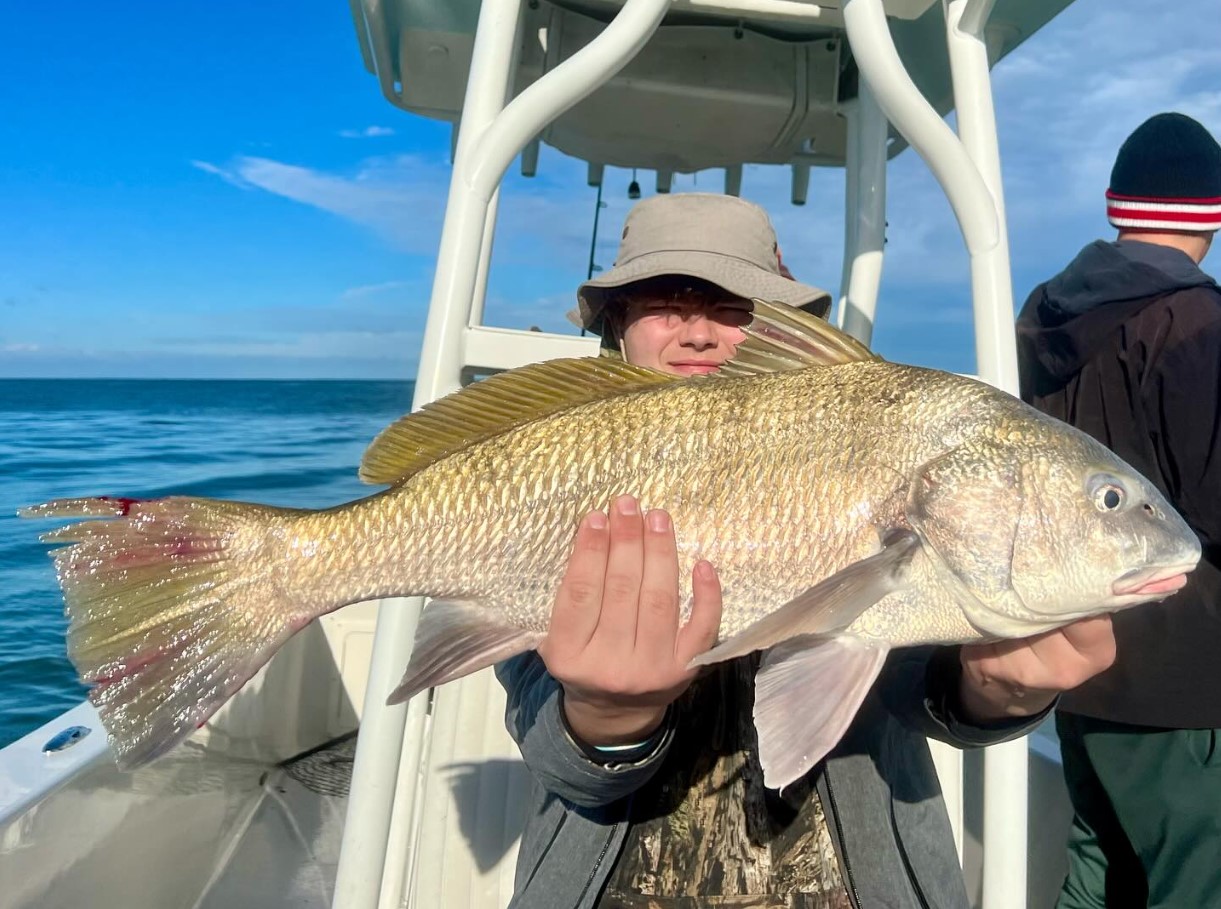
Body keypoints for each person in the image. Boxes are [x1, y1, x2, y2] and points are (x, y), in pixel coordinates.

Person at [498, 192, 1117, 909]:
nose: (697, 332)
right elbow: (552, 748)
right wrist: (604, 718)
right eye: (661, 302)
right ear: (616, 326)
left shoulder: (867, 438)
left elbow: (913, 677)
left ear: (780, 329)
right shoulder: (554, 468)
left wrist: (994, 691)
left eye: (733, 305)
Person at [1016, 112, 1221, 909]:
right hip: (1187, 675)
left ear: (1115, 205)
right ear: (1210, 212)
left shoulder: (1048, 319)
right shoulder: (1195, 321)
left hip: (1077, 651)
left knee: (1097, 870)